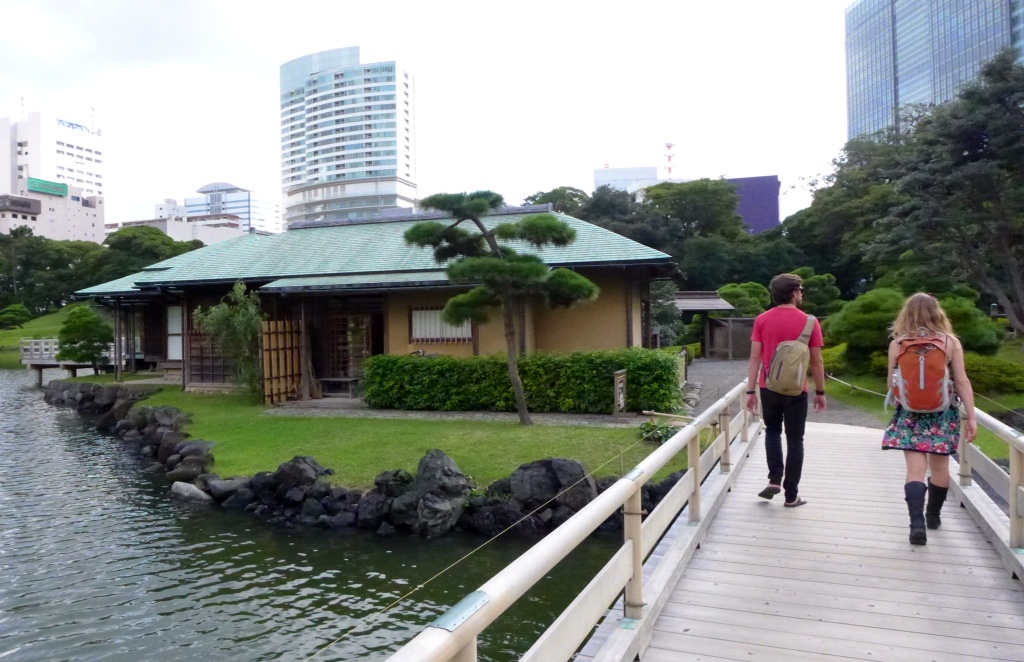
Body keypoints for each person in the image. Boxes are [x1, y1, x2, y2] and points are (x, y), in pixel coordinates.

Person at [882, 293, 977, 545]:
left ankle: (916, 525)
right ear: (938, 313)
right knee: (940, 468)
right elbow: (962, 381)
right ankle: (933, 516)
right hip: (942, 413)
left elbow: (891, 383)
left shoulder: (897, 343)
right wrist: (972, 417)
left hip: (909, 414)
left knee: (914, 470)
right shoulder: (950, 342)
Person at [745, 273, 827, 508]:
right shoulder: (810, 321)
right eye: (801, 290)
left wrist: (750, 392)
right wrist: (820, 392)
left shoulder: (762, 319)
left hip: (768, 386)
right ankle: (791, 495)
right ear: (793, 293)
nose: (802, 294)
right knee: (795, 440)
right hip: (797, 389)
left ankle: (774, 479)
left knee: (772, 431)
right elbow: (816, 361)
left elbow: (754, 358)